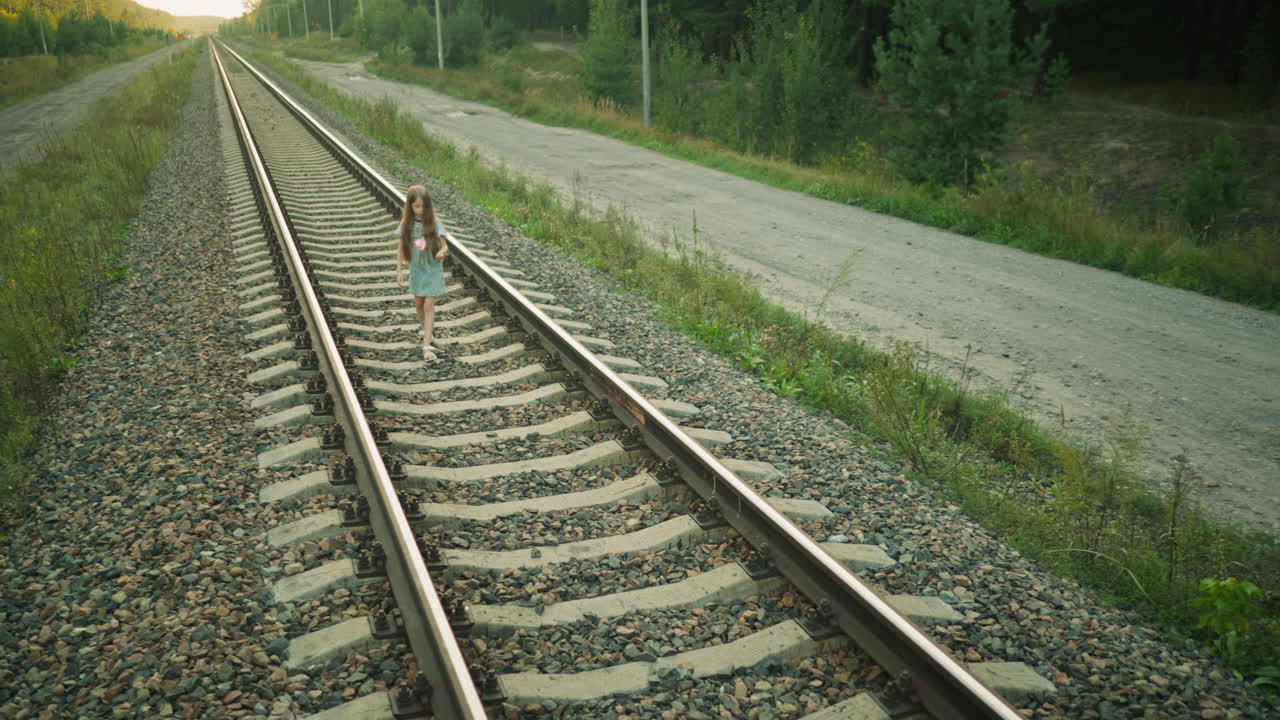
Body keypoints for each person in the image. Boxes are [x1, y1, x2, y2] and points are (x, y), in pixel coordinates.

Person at [394, 185, 449, 361]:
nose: (420, 210)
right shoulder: (407, 225)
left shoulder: (435, 223)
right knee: (419, 304)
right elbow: (401, 248)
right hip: (417, 270)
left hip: (432, 270)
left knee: (428, 305)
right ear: (410, 206)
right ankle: (427, 332)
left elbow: (445, 245)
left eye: (423, 206)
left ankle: (426, 345)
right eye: (417, 206)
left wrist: (442, 252)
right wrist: (399, 270)